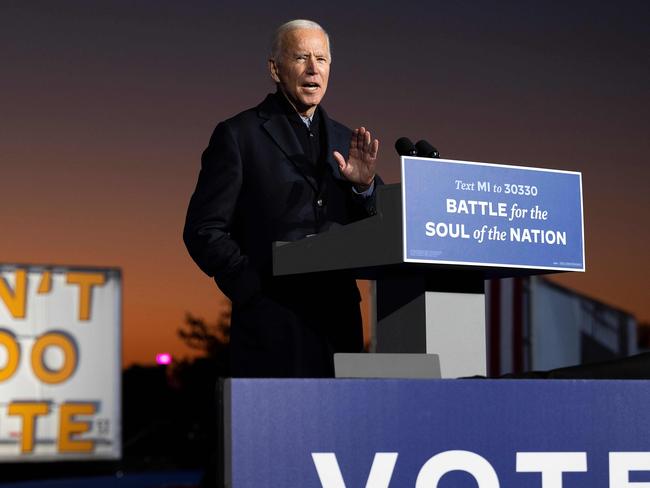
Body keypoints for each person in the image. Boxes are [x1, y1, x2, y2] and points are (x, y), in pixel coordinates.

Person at [183, 19, 380, 378]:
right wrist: (252, 290)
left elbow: (379, 227)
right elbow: (203, 229)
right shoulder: (238, 135)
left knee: (340, 430)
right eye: (301, 57)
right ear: (275, 68)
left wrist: (363, 187)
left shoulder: (347, 141)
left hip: (338, 327)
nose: (312, 69)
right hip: (272, 323)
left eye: (321, 59)